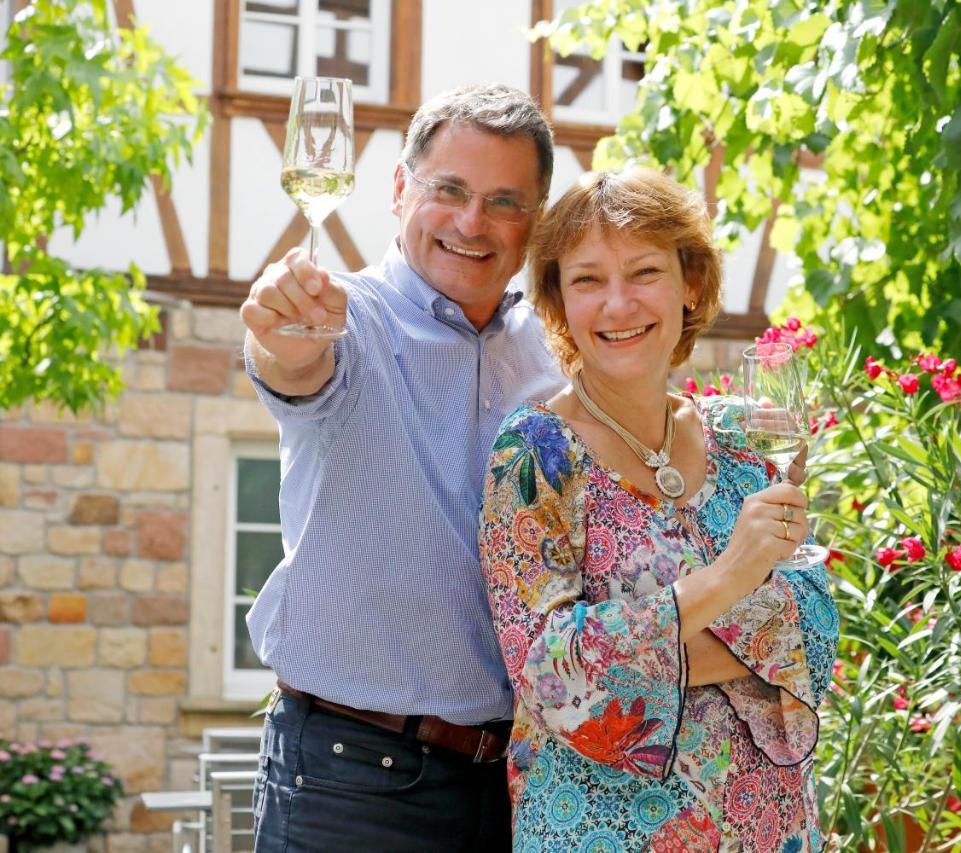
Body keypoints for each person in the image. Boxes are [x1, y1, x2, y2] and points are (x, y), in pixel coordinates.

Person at [238, 84, 566, 852]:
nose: (471, 223)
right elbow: (294, 365)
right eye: (448, 189)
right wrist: (284, 339)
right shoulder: (348, 314)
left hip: (516, 788)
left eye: (504, 202)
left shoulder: (550, 359)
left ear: (536, 220)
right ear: (397, 189)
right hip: (350, 784)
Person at [479, 168, 840, 851]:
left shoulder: (741, 441)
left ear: (691, 282)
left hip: (770, 830)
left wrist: (644, 648)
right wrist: (727, 582)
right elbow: (553, 673)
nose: (618, 304)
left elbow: (815, 629)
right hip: (602, 833)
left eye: (643, 271)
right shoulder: (533, 455)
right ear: (559, 301)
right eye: (587, 279)